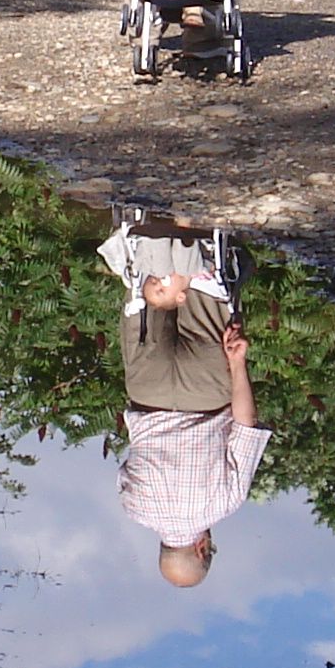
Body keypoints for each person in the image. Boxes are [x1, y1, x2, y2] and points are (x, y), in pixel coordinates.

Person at [98, 223, 272, 588]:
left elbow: (246, 425)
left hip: (206, 392)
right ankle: (146, 233)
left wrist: (237, 362)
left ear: (200, 548)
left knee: (205, 284)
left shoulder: (226, 504)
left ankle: (199, 234)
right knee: (149, 294)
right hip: (148, 391)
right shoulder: (133, 508)